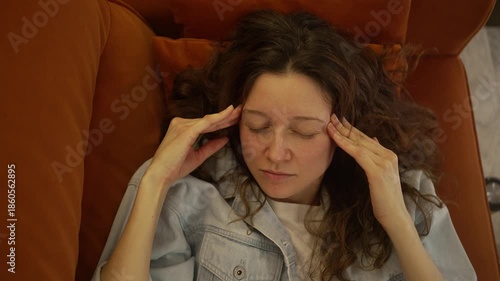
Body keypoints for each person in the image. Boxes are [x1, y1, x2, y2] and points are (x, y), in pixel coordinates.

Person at [92, 10, 476, 281]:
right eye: (257, 126)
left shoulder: (406, 197)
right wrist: (155, 181)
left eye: (304, 132)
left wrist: (396, 222)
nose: (275, 153)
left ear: (346, 131)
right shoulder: (184, 198)